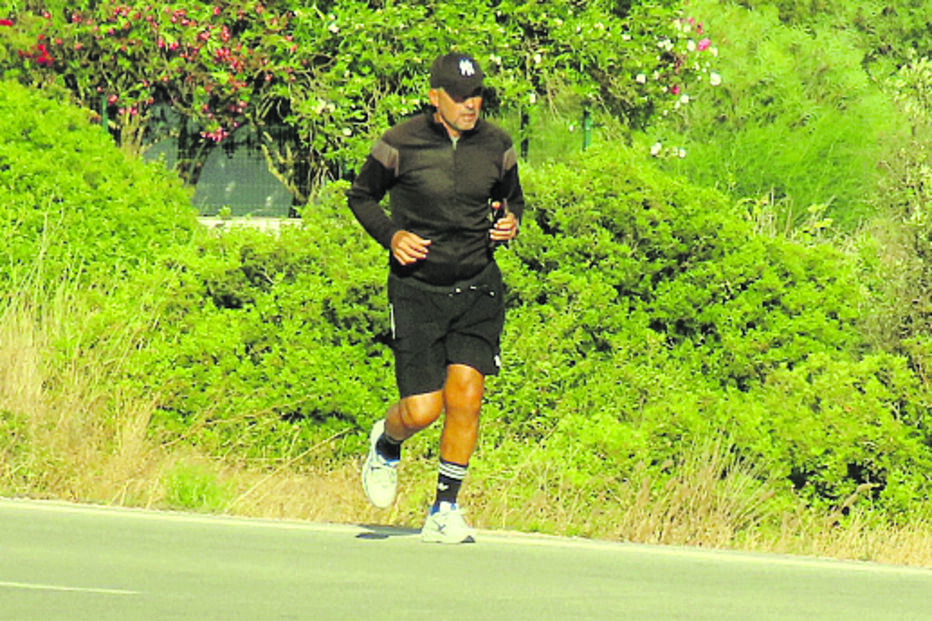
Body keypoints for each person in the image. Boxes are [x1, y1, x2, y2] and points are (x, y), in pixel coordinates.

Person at [346, 51, 524, 544]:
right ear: (435, 98)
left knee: (466, 396)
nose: (471, 105)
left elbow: (513, 198)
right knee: (423, 409)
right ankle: (385, 443)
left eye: (477, 95)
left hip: (477, 286)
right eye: (461, 96)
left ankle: (445, 508)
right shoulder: (400, 142)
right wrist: (392, 236)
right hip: (418, 290)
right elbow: (361, 197)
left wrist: (511, 221)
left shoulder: (497, 144)